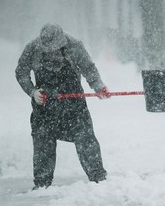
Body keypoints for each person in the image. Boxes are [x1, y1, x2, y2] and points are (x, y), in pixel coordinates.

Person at [15, 23, 110, 189]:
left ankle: (98, 179)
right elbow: (21, 72)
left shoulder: (74, 46)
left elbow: (88, 68)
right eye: (48, 51)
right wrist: (32, 92)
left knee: (86, 139)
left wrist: (98, 86)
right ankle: (42, 184)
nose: (52, 53)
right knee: (43, 144)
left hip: (74, 107)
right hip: (44, 107)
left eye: (55, 50)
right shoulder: (32, 48)